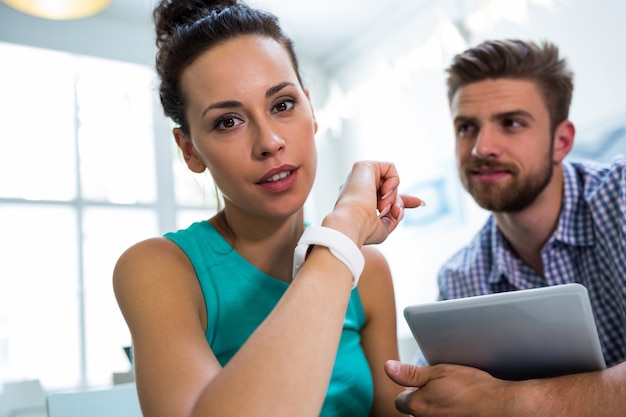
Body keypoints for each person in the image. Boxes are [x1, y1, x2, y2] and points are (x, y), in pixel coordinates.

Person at [112, 1, 423, 416]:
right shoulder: (159, 269)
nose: (269, 141)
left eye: (282, 104)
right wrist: (341, 232)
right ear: (189, 150)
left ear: (311, 110)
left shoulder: (370, 270)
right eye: (228, 121)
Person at [384, 38, 626, 416]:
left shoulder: (621, 197)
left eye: (511, 123)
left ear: (561, 141)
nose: (482, 147)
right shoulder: (459, 280)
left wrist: (506, 401)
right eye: (467, 127)